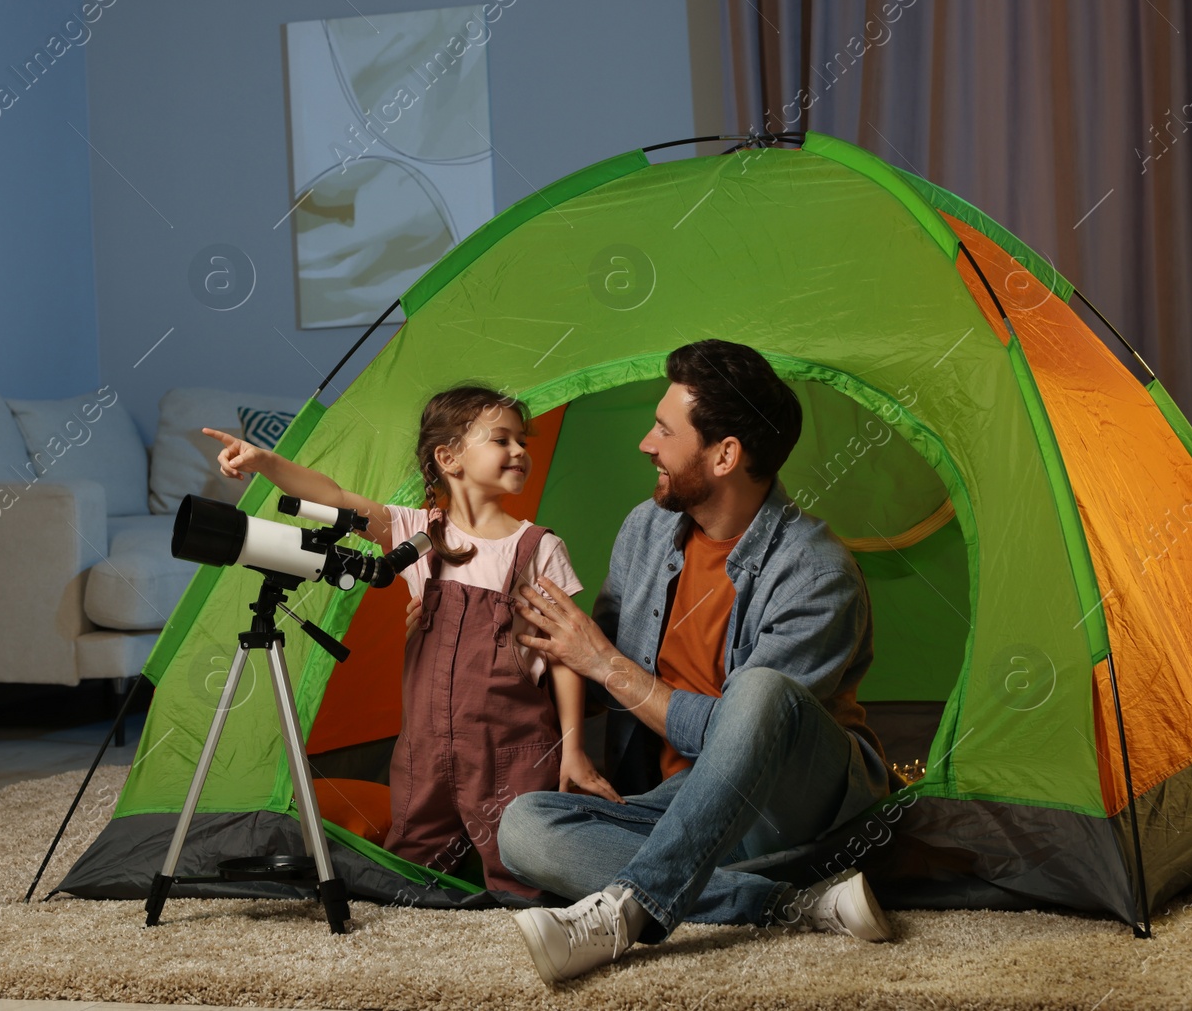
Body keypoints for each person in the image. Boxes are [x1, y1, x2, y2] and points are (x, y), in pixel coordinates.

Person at [494, 339, 896, 986]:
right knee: (523, 828)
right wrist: (524, 645)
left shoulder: (817, 572)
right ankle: (789, 903)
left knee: (761, 690)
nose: (645, 444)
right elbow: (595, 675)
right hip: (671, 803)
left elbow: (746, 733)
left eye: (663, 429)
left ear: (725, 454)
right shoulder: (644, 531)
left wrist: (604, 664)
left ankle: (627, 910)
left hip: (789, 805)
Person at [203, 385, 618, 897]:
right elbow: (331, 497)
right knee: (411, 869)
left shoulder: (538, 547)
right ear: (449, 458)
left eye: (523, 442)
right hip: (424, 747)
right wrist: (265, 462)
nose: (519, 452)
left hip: (512, 750)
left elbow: (563, 656)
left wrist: (572, 749)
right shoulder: (416, 533)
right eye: (502, 440)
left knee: (524, 873)